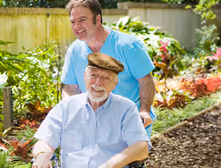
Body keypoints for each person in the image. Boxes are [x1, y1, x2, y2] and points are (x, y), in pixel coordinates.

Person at [25, 53, 150, 168]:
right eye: (93, 76)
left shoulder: (126, 108)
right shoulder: (66, 107)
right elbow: (44, 140)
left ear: (115, 83)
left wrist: (109, 166)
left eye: (106, 78)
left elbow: (141, 147)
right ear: (85, 76)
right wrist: (42, 155)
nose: (98, 83)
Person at [61, 0, 156, 137]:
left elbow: (146, 81)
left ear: (97, 19)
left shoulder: (128, 46)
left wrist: (144, 110)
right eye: (73, 22)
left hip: (130, 124)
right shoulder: (74, 50)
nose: (77, 26)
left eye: (82, 20)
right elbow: (70, 88)